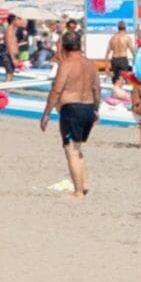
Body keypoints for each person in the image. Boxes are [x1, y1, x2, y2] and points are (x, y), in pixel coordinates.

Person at [40, 35, 102, 197]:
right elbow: (96, 89)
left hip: (71, 108)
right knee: (77, 147)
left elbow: (57, 90)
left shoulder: (66, 65)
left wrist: (46, 113)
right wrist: (96, 109)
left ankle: (78, 192)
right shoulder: (91, 65)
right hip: (88, 107)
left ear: (64, 48)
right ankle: (84, 184)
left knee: (71, 150)